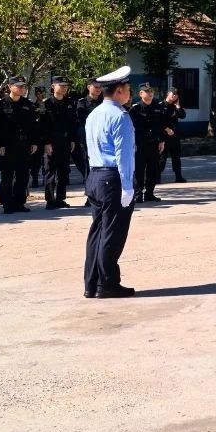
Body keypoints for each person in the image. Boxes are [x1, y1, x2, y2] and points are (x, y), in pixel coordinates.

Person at [83, 66, 137, 298]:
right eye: (127, 88)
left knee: (97, 232)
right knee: (112, 233)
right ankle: (107, 284)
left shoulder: (94, 114)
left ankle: (92, 283)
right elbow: (123, 155)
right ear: (119, 90)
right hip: (113, 178)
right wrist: (127, 186)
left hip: (95, 176)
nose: (129, 93)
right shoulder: (120, 116)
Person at [0, 75, 39, 213]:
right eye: (18, 86)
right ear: (10, 87)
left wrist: (34, 142)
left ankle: (19, 203)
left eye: (22, 86)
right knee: (7, 176)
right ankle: (7, 204)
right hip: (8, 145)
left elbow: (33, 125)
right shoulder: (1, 104)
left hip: (24, 144)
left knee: (23, 175)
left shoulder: (27, 104)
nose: (21, 88)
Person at [41, 76, 77, 210]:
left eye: (65, 85)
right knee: (50, 171)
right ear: (53, 86)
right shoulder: (46, 103)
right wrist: (46, 143)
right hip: (52, 141)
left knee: (64, 171)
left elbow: (73, 123)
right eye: (61, 85)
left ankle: (60, 199)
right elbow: (43, 125)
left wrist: (72, 139)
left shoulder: (70, 102)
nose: (64, 87)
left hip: (65, 141)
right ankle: (50, 200)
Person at [129, 82, 167, 202]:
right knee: (139, 170)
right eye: (147, 91)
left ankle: (150, 193)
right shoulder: (135, 109)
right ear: (141, 93)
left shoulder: (158, 107)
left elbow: (161, 125)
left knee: (153, 169)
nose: (150, 93)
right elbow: (131, 128)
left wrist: (162, 141)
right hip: (140, 144)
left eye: (151, 91)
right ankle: (138, 193)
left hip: (154, 143)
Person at [74, 80, 104, 191]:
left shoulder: (104, 102)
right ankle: (89, 189)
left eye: (100, 87)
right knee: (87, 162)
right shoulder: (82, 103)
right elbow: (82, 121)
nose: (98, 89)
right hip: (88, 137)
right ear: (88, 87)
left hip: (102, 137)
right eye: (96, 87)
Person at [162, 89, 187, 183]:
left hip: (174, 136)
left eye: (176, 94)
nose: (174, 96)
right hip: (164, 136)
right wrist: (166, 129)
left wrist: (178, 106)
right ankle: (157, 177)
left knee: (176, 157)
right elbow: (159, 121)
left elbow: (183, 116)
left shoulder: (175, 106)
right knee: (162, 158)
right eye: (173, 94)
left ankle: (178, 176)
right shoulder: (161, 105)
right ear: (168, 94)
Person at [28, 85, 47, 189]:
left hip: (47, 135)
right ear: (36, 94)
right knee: (36, 159)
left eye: (43, 93)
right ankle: (35, 179)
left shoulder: (48, 104)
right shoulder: (33, 106)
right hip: (37, 136)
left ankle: (48, 179)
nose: (41, 95)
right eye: (39, 93)